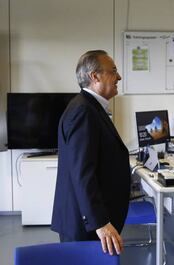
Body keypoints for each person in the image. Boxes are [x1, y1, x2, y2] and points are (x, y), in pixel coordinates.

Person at [51, 50, 131, 256]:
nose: (119, 77)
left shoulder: (90, 107)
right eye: (113, 71)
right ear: (94, 76)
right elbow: (82, 173)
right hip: (87, 225)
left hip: (89, 220)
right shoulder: (84, 111)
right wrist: (101, 223)